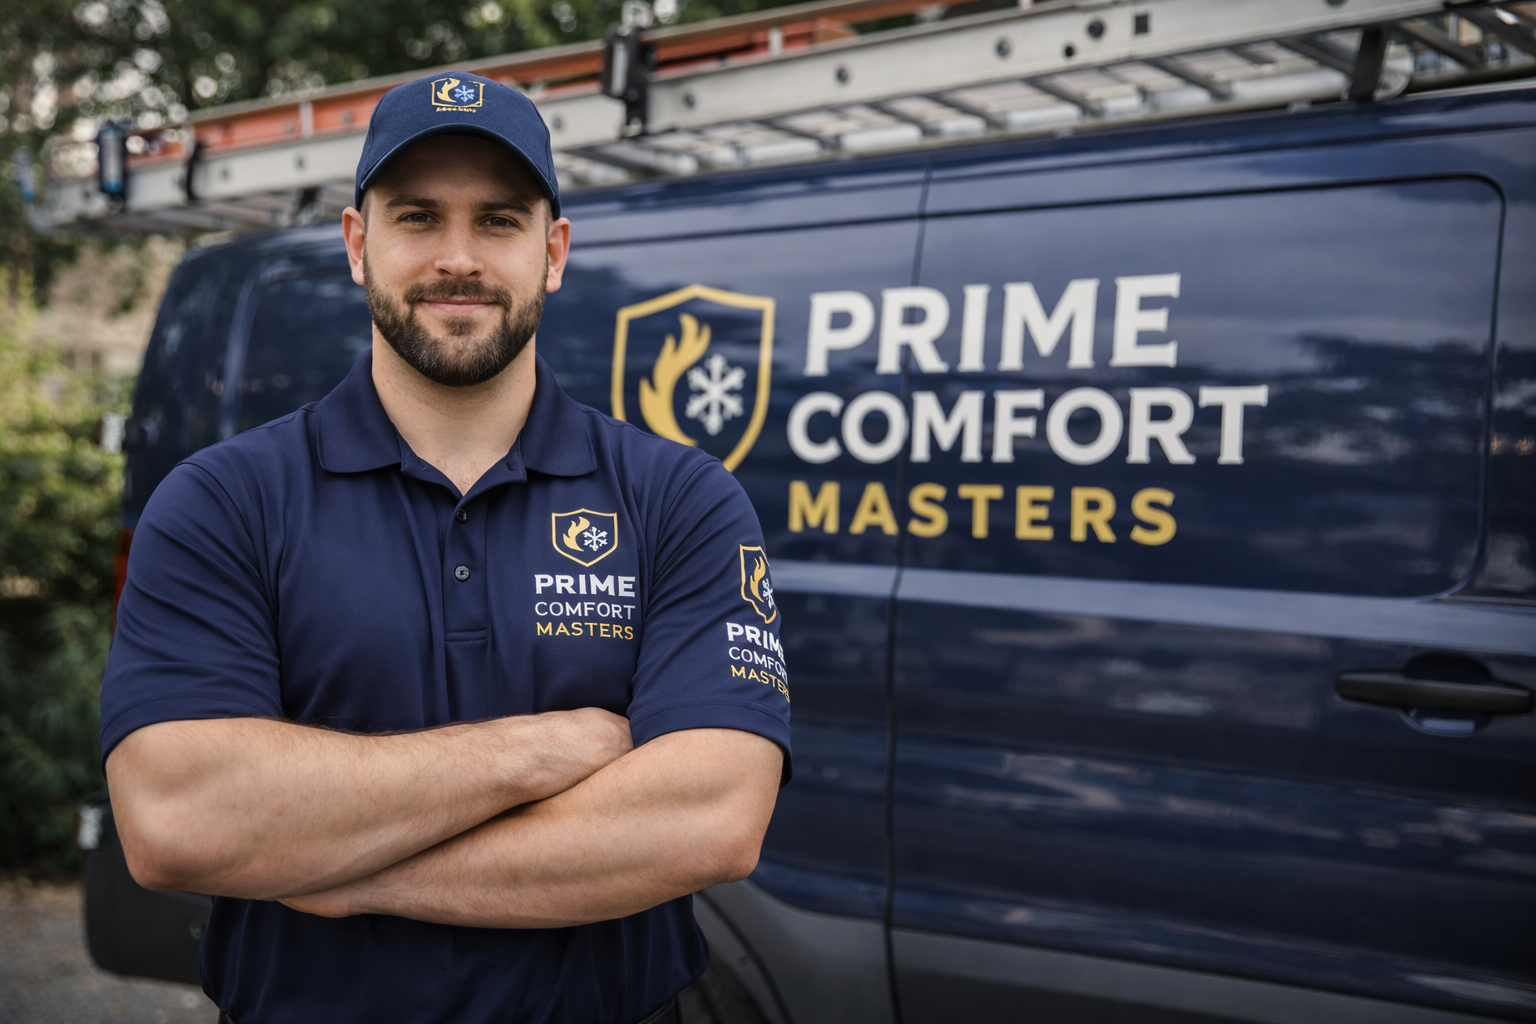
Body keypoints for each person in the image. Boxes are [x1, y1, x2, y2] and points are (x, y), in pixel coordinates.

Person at [99, 71, 790, 1024]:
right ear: (358, 245)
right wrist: (535, 751)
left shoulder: (680, 499)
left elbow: (710, 821)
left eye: (498, 221)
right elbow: (178, 820)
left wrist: (346, 872)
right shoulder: (223, 501)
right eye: (418, 217)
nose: (457, 258)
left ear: (553, 253)